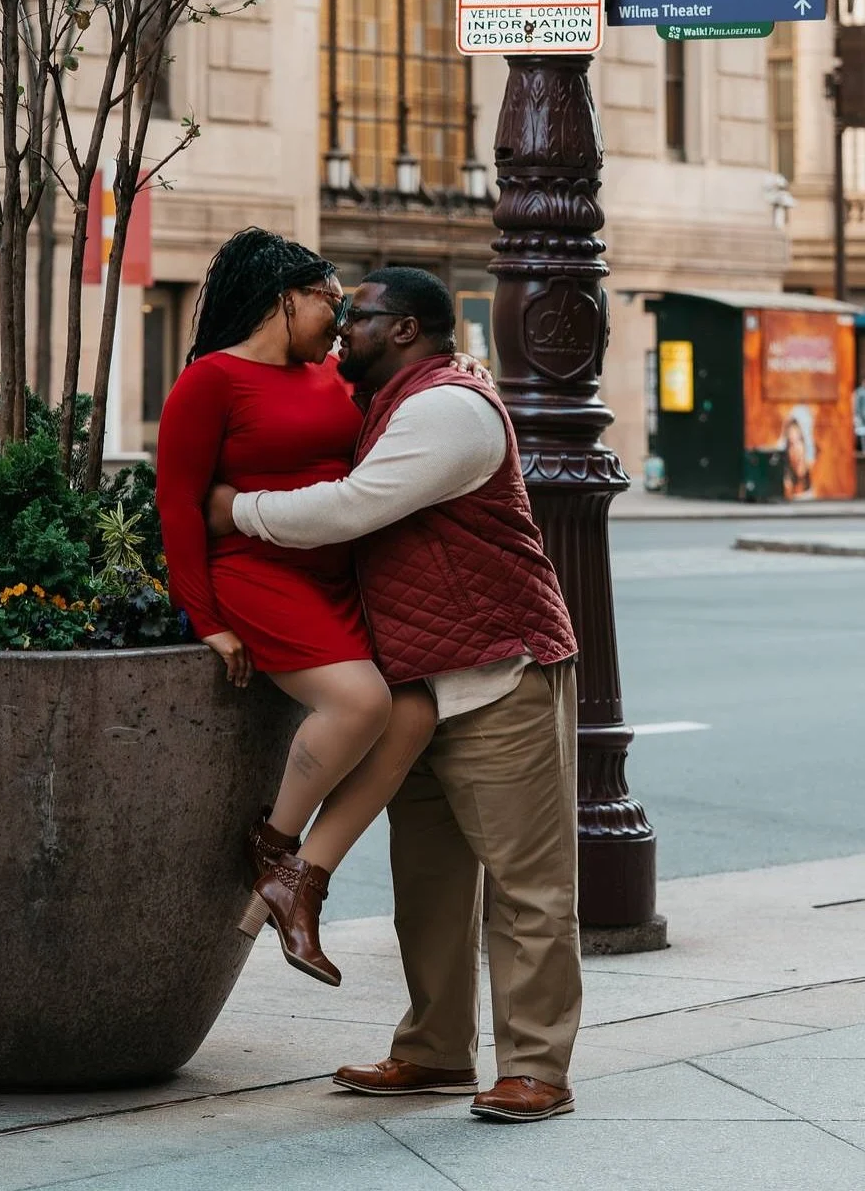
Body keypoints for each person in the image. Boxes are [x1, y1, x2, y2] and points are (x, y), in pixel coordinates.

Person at [208, 266, 582, 1125]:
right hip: (417, 684)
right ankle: (436, 1050)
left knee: (528, 885)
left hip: (495, 673)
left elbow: (353, 508)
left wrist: (238, 512)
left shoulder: (449, 408)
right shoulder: (388, 403)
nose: (342, 328)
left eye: (361, 317)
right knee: (430, 885)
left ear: (409, 329)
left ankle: (538, 1068)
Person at [156, 230, 485, 989]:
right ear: (286, 299)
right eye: (330, 303)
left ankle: (303, 880)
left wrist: (459, 366)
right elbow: (178, 505)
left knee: (411, 712)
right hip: (256, 573)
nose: (338, 323)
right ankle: (273, 847)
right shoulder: (211, 381)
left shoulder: (335, 377)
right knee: (361, 700)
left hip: (335, 575)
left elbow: (403, 398)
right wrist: (205, 618)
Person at [781, 405, 816, 499]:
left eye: (800, 440)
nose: (796, 450)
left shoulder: (821, 483)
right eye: (791, 444)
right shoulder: (784, 487)